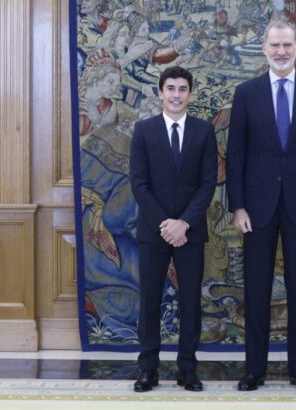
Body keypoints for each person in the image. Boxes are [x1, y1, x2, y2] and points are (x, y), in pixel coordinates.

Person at [226, 18, 296, 391]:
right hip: (255, 207)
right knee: (256, 288)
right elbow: (236, 154)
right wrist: (238, 207)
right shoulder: (246, 93)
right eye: (274, 45)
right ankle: (254, 370)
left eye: (287, 45)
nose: (281, 51)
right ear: (264, 49)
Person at [130, 66, 218, 393]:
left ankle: (187, 369)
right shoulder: (144, 130)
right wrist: (166, 225)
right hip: (153, 231)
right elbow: (139, 184)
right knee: (150, 300)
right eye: (171, 88)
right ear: (160, 93)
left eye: (182, 89)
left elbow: (207, 184)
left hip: (190, 231)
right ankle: (148, 369)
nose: (176, 95)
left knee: (190, 301)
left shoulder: (204, 131)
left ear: (190, 94)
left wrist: (184, 223)